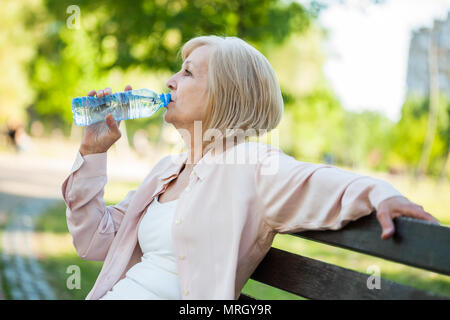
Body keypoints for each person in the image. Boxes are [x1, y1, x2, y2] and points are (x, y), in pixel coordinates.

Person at [61, 35, 439, 300]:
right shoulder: (166, 171)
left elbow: (315, 181)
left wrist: (380, 193)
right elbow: (94, 240)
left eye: (188, 73)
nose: (170, 82)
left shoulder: (252, 166)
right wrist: (92, 152)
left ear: (225, 94)